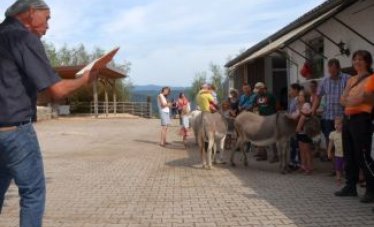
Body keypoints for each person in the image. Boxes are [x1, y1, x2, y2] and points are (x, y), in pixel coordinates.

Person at [0, 1, 98, 226]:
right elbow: (56, 91)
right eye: (47, 18)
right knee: (32, 194)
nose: (48, 25)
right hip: (15, 131)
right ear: (31, 13)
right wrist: (84, 78)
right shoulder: (24, 39)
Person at [336, 50, 374, 205]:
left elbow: (366, 98)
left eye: (361, 59)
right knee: (349, 154)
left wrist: (350, 100)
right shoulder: (351, 80)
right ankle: (350, 186)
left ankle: (371, 190)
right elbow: (342, 100)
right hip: (348, 119)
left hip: (362, 120)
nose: (357, 62)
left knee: (363, 156)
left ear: (367, 62)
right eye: (355, 59)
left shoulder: (371, 78)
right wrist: (353, 100)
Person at [312, 59, 349, 162]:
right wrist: (313, 110)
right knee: (330, 141)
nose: (332, 74)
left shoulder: (347, 78)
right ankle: (334, 167)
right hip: (328, 116)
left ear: (338, 68)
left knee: (343, 141)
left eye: (333, 71)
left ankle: (345, 166)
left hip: (342, 117)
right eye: (330, 71)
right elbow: (318, 97)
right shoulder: (325, 80)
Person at [252, 82, 278, 162]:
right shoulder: (257, 97)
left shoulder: (270, 96)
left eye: (259, 90)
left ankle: (275, 156)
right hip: (261, 119)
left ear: (262, 88)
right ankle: (263, 155)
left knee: (272, 137)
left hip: (270, 119)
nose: (258, 92)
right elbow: (255, 106)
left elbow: (276, 106)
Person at [294, 90, 314, 174]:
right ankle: (303, 166)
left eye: (301, 95)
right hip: (300, 131)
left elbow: (304, 115)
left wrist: (298, 127)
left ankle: (309, 167)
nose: (299, 97)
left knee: (307, 150)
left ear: (305, 97)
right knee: (301, 150)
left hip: (305, 130)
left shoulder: (306, 105)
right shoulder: (299, 105)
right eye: (299, 95)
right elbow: (296, 115)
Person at [288, 83, 302, 170]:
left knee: (296, 144)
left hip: (296, 123)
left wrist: (291, 117)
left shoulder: (298, 100)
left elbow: (298, 112)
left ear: (296, 90)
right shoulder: (293, 99)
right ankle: (293, 161)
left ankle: (297, 163)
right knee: (293, 143)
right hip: (292, 123)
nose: (290, 91)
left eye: (291, 90)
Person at [327, 117, 344, 185]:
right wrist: (329, 152)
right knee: (338, 168)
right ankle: (338, 179)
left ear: (343, 125)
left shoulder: (345, 133)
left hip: (345, 154)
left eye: (339, 124)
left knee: (346, 167)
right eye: (335, 124)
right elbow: (330, 144)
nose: (336, 125)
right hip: (337, 154)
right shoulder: (332, 134)